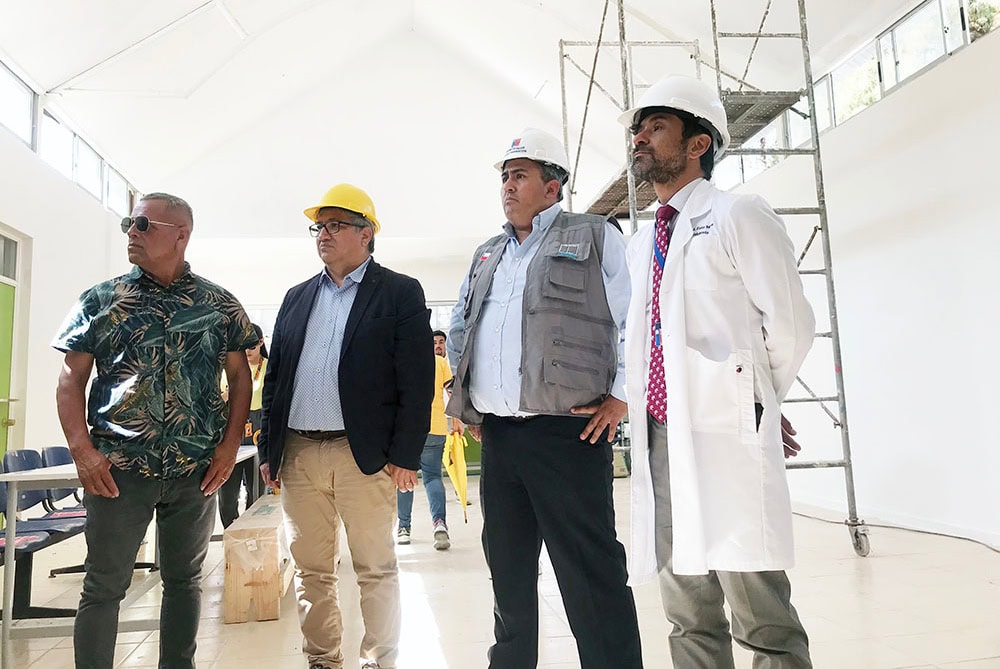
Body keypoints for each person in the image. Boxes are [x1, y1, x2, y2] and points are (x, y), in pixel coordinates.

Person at [618, 74, 816, 668]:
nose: (639, 139)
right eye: (637, 130)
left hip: (725, 436)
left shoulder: (738, 214)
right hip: (658, 437)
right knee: (687, 613)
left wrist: (754, 400)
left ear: (698, 143)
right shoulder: (641, 240)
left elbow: (791, 325)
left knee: (761, 613)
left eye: (655, 127)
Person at [446, 128, 643, 669]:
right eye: (504, 177)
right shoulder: (488, 254)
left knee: (589, 573)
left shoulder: (595, 236)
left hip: (569, 433)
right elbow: (461, 328)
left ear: (552, 186)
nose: (508, 186)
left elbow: (635, 318)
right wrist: (468, 398)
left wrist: (622, 395)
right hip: (501, 438)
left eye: (520, 176)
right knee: (507, 571)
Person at [53, 192, 257, 669]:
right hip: (118, 471)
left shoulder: (218, 304)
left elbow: (240, 378)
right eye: (129, 222)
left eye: (143, 224)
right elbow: (70, 379)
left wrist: (230, 446)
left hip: (195, 469)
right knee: (103, 586)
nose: (131, 232)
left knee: (184, 581)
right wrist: (82, 450)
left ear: (180, 235)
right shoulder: (102, 300)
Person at [258, 183, 433, 669]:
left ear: (366, 233)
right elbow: (276, 379)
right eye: (319, 226)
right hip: (299, 454)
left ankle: (378, 659)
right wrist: (270, 449)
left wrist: (405, 456)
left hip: (365, 456)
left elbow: (416, 381)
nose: (324, 234)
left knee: (375, 568)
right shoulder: (297, 297)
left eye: (336, 225)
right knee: (311, 571)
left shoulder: (398, 293)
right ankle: (322, 659)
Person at [396, 330, 462, 549]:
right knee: (433, 477)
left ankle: (404, 528)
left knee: (404, 476)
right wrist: (457, 421)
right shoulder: (440, 363)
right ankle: (439, 524)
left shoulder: (404, 359)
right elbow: (451, 393)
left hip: (407, 429)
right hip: (435, 426)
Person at [218, 322, 268, 527]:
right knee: (227, 491)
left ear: (261, 342)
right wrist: (224, 396)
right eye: (243, 347)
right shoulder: (228, 369)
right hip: (233, 432)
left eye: (252, 346)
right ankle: (232, 531)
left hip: (258, 432)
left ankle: (252, 531)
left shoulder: (268, 367)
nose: (247, 351)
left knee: (256, 490)